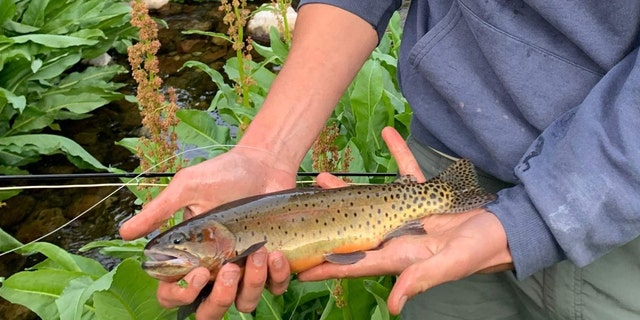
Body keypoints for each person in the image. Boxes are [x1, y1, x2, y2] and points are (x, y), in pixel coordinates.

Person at [120, 1, 640, 319]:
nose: (174, 251)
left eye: (183, 242)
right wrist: (265, 149)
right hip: (438, 171)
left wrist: (537, 221)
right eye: (183, 244)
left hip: (621, 207)